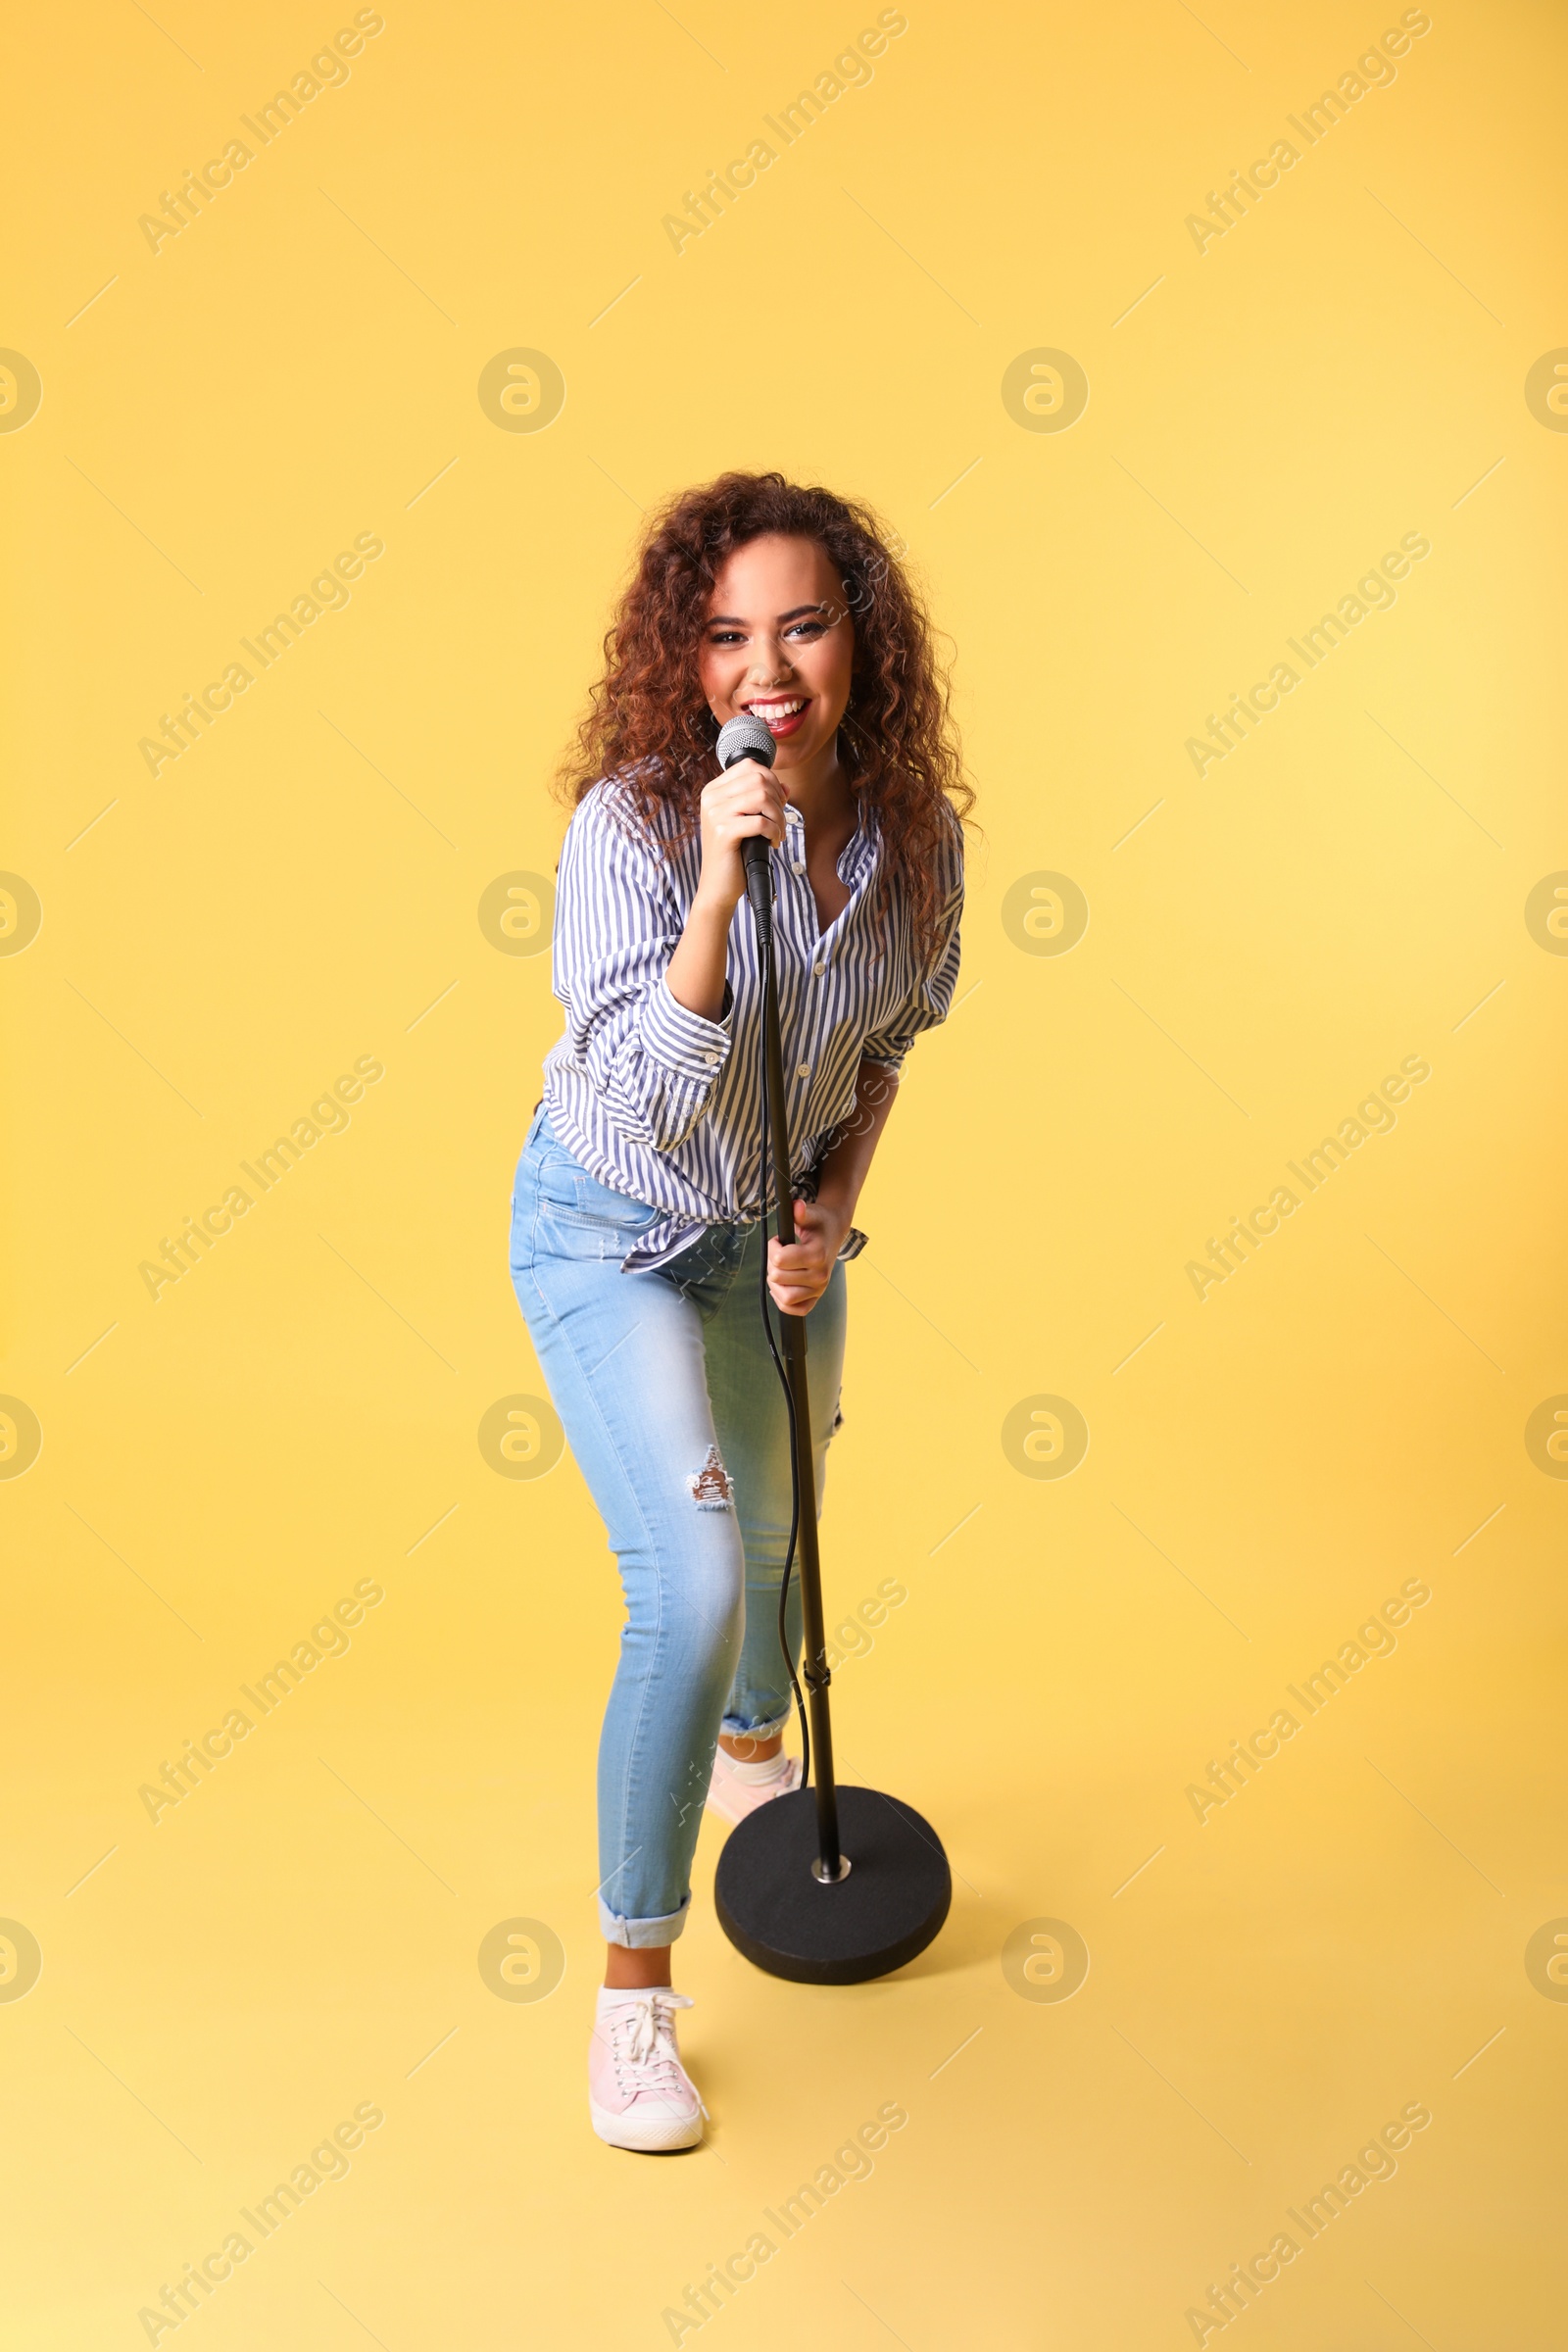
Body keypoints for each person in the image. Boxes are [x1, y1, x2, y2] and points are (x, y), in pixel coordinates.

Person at [509, 470, 970, 2152]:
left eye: (800, 623)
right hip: (613, 1231)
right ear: (681, 662)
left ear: (861, 640)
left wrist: (834, 1210)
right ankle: (635, 1998)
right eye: (723, 635)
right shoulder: (632, 827)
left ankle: (756, 1768)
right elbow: (643, 1083)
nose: (763, 666)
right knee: (696, 1579)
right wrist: (717, 883)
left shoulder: (918, 838)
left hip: (765, 1235)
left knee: (786, 1532)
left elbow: (887, 1043)